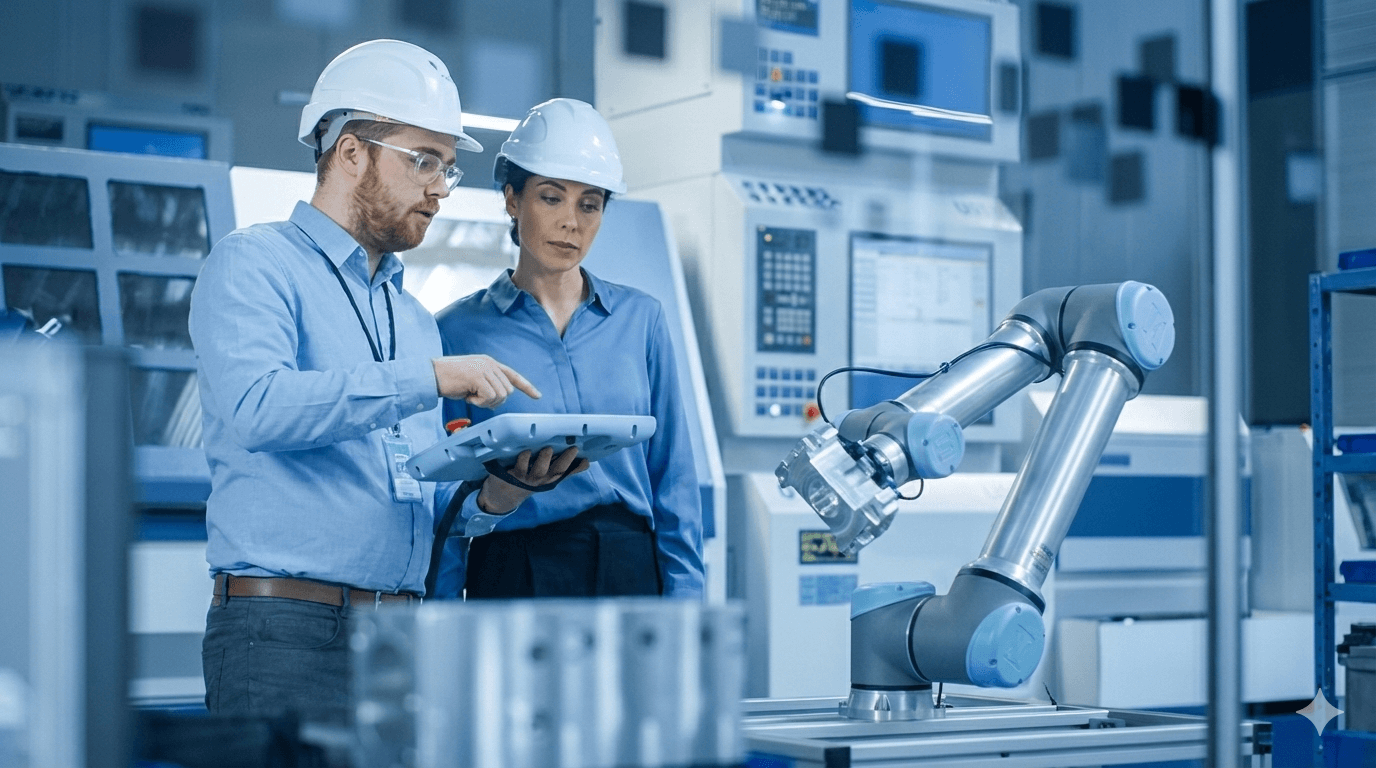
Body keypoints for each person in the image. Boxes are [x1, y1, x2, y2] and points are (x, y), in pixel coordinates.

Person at [189, 40, 564, 723]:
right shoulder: (254, 264)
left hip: (399, 636)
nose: (439, 189)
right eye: (423, 160)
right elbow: (258, 409)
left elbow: (417, 491)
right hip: (284, 637)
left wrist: (501, 493)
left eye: (448, 169)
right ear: (351, 152)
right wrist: (428, 379)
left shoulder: (413, 318)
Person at [432, 98, 704, 600]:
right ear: (512, 200)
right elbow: (444, 495)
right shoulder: (457, 333)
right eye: (551, 198)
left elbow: (674, 480)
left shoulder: (641, 320)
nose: (571, 223)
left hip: (630, 567)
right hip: (514, 565)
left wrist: (687, 607)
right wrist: (440, 621)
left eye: (589, 204)